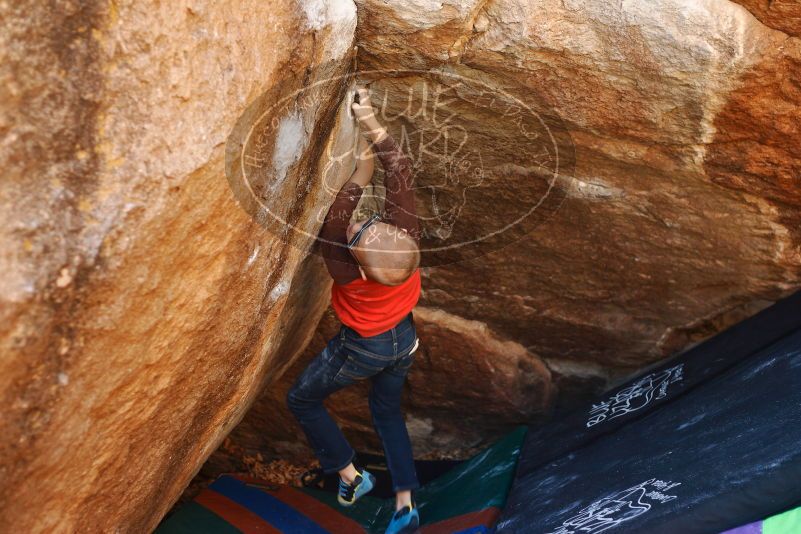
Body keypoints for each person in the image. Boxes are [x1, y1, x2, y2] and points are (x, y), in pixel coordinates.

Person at [286, 86, 422, 534]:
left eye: (362, 233)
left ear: (357, 261)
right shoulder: (405, 239)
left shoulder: (347, 271)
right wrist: (367, 118)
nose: (367, 223)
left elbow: (333, 226)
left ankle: (350, 476)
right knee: (386, 411)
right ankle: (405, 502)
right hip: (405, 340)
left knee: (302, 399)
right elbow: (399, 168)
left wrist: (357, 178)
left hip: (365, 347)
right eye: (372, 225)